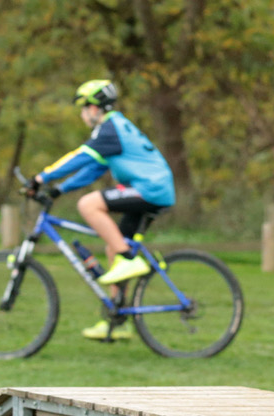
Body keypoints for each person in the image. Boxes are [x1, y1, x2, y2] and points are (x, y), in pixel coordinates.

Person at [30, 79, 176, 341]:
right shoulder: (115, 129)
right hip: (152, 189)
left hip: (149, 189)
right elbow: (93, 169)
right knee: (114, 245)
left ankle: (128, 259)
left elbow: (79, 157)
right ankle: (118, 320)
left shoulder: (110, 129)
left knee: (88, 204)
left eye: (84, 107)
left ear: (95, 107)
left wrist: (42, 177)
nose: (83, 114)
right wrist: (59, 189)